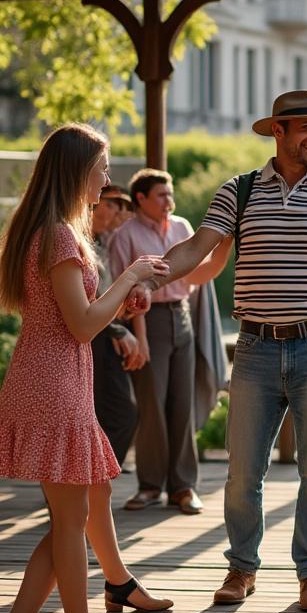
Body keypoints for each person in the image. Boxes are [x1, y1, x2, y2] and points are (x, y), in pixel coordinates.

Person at [128, 90, 307, 613]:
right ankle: (242, 569)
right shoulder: (236, 192)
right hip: (256, 349)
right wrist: (150, 275)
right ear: (277, 131)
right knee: (242, 473)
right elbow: (196, 248)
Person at [0, 124, 174, 613]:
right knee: (69, 519)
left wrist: (120, 293)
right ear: (77, 172)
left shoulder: (50, 228)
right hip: (54, 382)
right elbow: (83, 324)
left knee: (85, 503)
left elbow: (80, 312)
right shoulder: (59, 234)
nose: (107, 180)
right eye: (101, 170)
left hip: (55, 375)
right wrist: (130, 277)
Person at [109, 168, 225, 514]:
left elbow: (200, 274)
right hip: (149, 321)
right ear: (140, 199)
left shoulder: (183, 228)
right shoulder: (125, 235)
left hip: (181, 315)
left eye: (170, 193)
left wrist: (225, 245)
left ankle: (183, 487)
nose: (169, 200)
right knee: (152, 406)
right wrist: (140, 339)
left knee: (182, 404)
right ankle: (149, 486)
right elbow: (127, 292)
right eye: (161, 194)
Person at [91, 183, 144, 465]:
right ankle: (88, 485)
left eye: (124, 207)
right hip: (91, 334)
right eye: (112, 204)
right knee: (119, 412)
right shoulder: (76, 240)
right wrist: (117, 329)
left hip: (108, 330)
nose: (118, 212)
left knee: (122, 413)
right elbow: (87, 298)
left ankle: (96, 483)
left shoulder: (105, 240)